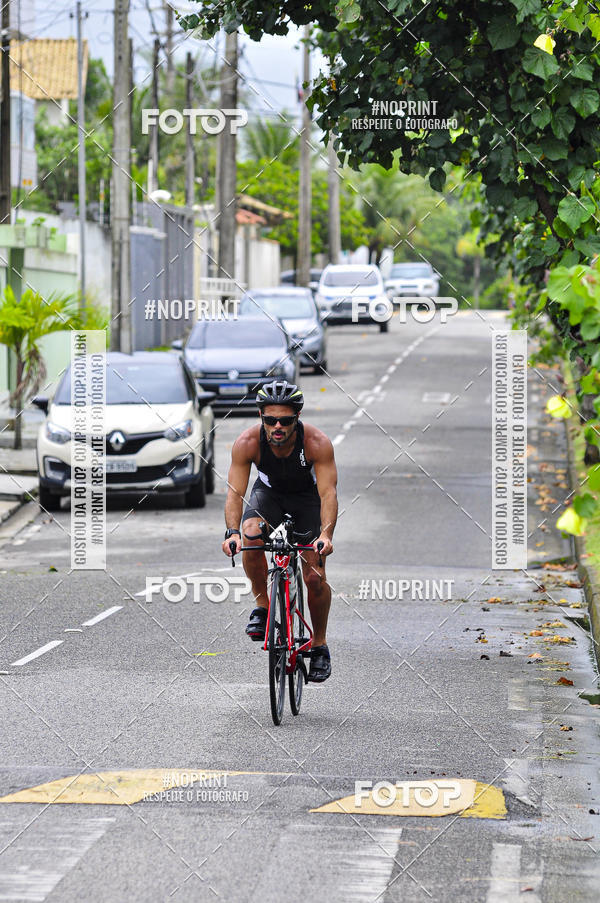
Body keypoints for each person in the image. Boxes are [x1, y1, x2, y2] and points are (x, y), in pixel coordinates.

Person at [222, 380, 338, 682]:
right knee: (250, 533)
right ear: (261, 416)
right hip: (269, 495)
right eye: (270, 419)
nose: (277, 426)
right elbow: (235, 494)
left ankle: (320, 645)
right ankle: (262, 605)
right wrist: (231, 532)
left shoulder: (317, 443)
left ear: (296, 419)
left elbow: (328, 494)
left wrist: (325, 535)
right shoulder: (247, 443)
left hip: (307, 499)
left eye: (285, 421)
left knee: (314, 576)